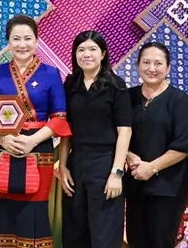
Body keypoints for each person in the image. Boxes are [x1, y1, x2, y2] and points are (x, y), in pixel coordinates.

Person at [0, 15, 71, 248]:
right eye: (16, 39)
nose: (22, 44)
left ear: (37, 41)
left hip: (39, 147)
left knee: (34, 210)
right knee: (5, 205)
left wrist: (32, 141)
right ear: (8, 42)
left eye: (28, 38)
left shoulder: (51, 73)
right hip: (4, 146)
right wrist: (2, 138)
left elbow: (59, 117)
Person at [59, 31, 132, 248]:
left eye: (92, 49)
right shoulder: (70, 84)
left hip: (105, 163)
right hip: (76, 163)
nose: (86, 54)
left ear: (103, 54)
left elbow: (125, 132)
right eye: (81, 49)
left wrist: (116, 173)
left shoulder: (116, 85)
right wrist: (63, 166)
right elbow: (66, 128)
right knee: (75, 232)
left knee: (104, 235)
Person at [124, 42, 188, 248]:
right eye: (146, 62)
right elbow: (116, 133)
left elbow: (185, 144)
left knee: (160, 241)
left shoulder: (179, 100)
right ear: (138, 65)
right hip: (135, 183)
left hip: (168, 186)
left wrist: (152, 167)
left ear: (168, 67)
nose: (152, 68)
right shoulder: (127, 97)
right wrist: (128, 155)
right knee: (136, 240)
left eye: (158, 63)